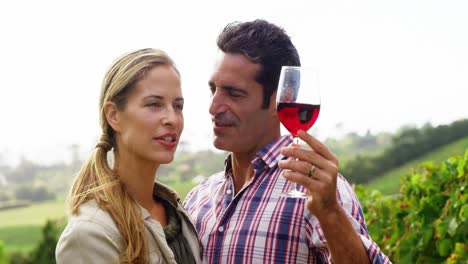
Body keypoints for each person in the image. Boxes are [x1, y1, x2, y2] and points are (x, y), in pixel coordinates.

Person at [183, 20, 390, 263]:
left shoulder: (317, 193)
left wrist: (331, 214)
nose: (213, 107)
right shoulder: (198, 199)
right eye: (213, 89)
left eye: (234, 93)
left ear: (281, 99)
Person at [56, 48, 201, 264]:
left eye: (178, 106)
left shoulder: (178, 212)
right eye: (154, 104)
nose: (172, 118)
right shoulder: (91, 233)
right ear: (114, 115)